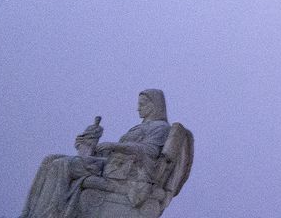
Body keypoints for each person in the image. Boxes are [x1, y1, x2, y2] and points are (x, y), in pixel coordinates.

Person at [23, 91, 174, 218]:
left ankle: (48, 213)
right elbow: (116, 152)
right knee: (50, 160)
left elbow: (150, 151)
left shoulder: (160, 127)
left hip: (125, 173)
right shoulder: (141, 126)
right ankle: (31, 212)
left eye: (142, 104)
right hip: (112, 165)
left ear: (154, 106)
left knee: (60, 164)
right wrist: (90, 144)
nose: (138, 108)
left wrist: (114, 145)